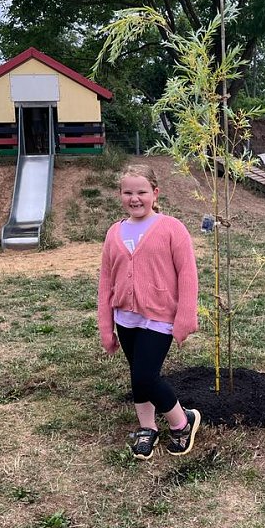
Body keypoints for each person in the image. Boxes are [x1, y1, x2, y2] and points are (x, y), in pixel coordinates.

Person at [98, 163, 201, 460]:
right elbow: (106, 280)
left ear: (155, 193)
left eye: (141, 192)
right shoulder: (115, 232)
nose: (135, 198)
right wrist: (106, 327)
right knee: (137, 375)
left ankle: (182, 422)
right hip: (125, 319)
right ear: (120, 195)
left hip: (160, 317)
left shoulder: (172, 228)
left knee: (145, 376)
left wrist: (185, 316)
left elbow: (187, 274)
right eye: (128, 192)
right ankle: (147, 427)